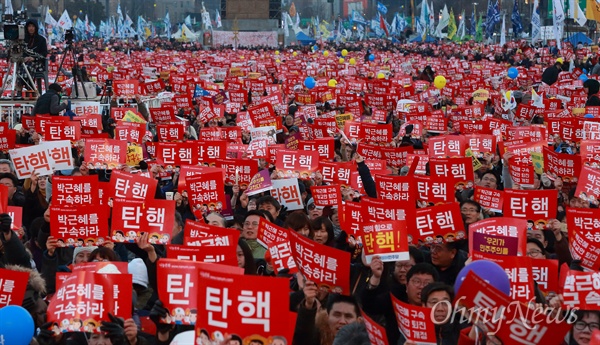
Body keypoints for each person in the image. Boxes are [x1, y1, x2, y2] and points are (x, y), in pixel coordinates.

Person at [293, 291, 362, 345]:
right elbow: (304, 334)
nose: (342, 321)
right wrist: (309, 304)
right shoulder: (318, 338)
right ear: (327, 317)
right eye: (337, 315)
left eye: (348, 316)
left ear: (358, 321)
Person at [19, 20, 48, 96]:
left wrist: (33, 58)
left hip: (38, 63)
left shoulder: (41, 40)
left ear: (36, 28)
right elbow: (20, 52)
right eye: (29, 26)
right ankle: (28, 88)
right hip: (24, 63)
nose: (31, 28)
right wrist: (25, 58)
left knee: (28, 66)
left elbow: (44, 54)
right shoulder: (22, 39)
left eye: (33, 26)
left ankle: (23, 87)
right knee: (24, 66)